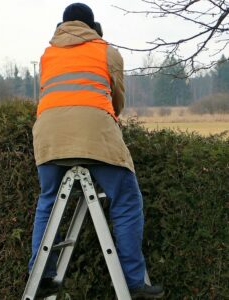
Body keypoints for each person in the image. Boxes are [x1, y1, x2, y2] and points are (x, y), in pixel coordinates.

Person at [28, 3, 164, 299]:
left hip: (49, 137)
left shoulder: (47, 55)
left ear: (61, 25)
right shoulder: (107, 52)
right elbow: (116, 102)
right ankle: (134, 283)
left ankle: (40, 277)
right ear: (92, 26)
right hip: (95, 134)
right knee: (126, 199)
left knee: (47, 202)